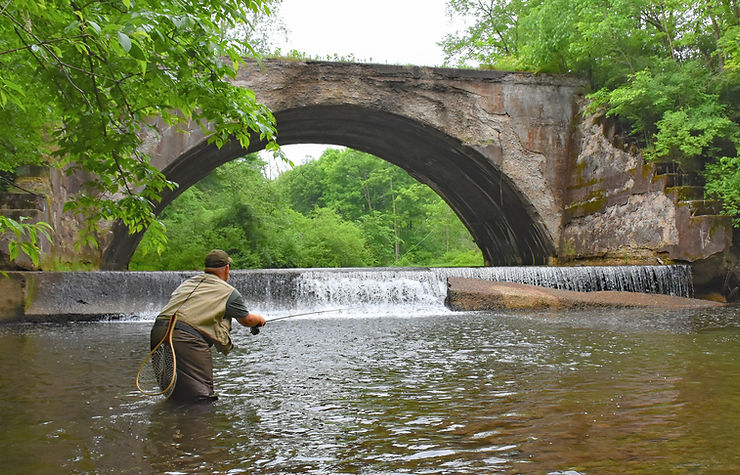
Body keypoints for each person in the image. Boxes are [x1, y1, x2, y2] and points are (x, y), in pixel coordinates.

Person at [150, 249, 266, 402]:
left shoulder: (188, 283)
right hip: (187, 338)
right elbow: (247, 321)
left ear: (206, 268)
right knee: (201, 399)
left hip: (158, 331)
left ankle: (168, 423)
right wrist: (260, 319)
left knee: (175, 394)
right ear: (226, 269)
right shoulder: (228, 292)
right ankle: (199, 424)